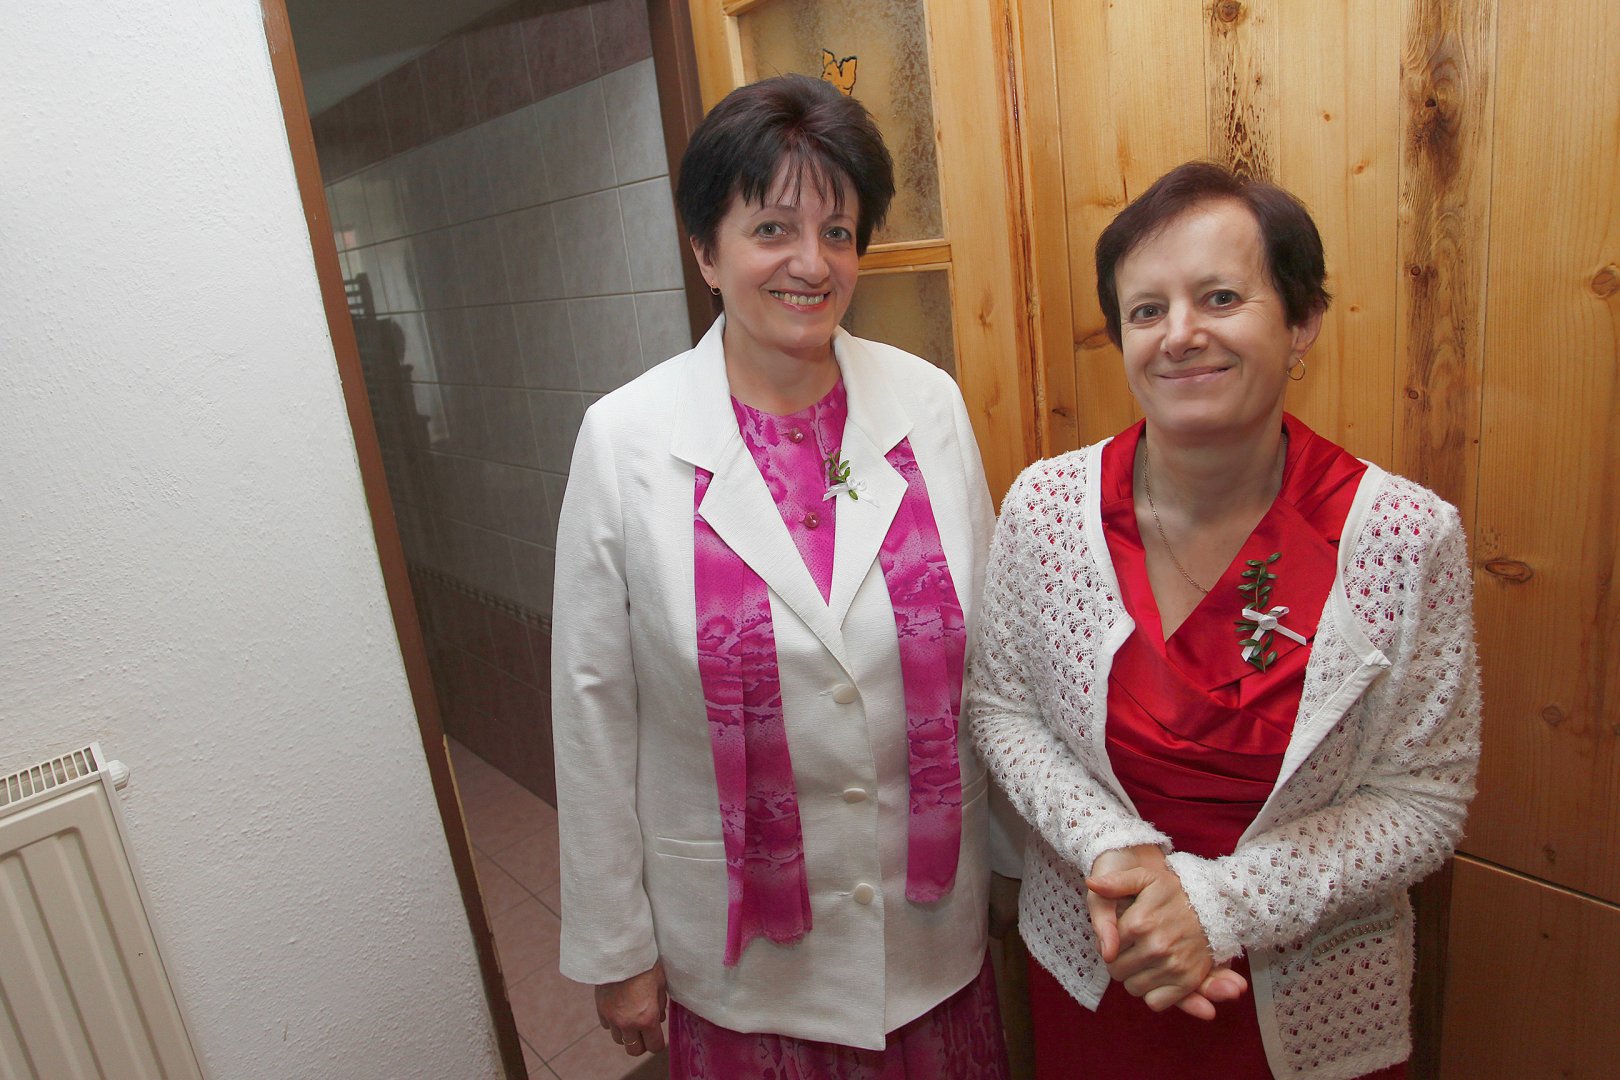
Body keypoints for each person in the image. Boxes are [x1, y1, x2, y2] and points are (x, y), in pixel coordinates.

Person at [967, 161, 1481, 1079]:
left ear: (1301, 322)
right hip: (1102, 966)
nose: (1181, 335)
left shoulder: (1403, 538)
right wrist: (1113, 847)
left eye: (1220, 297)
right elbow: (1002, 706)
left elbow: (1425, 800)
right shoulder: (1045, 508)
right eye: (1147, 310)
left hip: (1312, 1003)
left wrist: (1218, 906)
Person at [552, 74, 1012, 1078]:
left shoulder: (926, 403)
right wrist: (616, 947)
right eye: (772, 230)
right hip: (743, 966)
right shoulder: (625, 441)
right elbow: (593, 712)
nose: (811, 263)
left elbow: (993, 664)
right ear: (705, 251)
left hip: (929, 941)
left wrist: (1025, 868)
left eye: (838, 232)